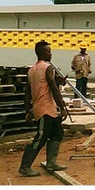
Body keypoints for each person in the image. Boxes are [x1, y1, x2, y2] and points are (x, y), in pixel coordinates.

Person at [18, 40, 68, 176]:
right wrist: (62, 106)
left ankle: (51, 162)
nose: (51, 53)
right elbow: (52, 87)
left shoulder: (31, 70)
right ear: (43, 53)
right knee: (40, 138)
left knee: (57, 133)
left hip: (45, 108)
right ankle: (25, 166)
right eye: (49, 51)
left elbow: (27, 92)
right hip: (45, 109)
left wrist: (27, 110)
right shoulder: (48, 67)